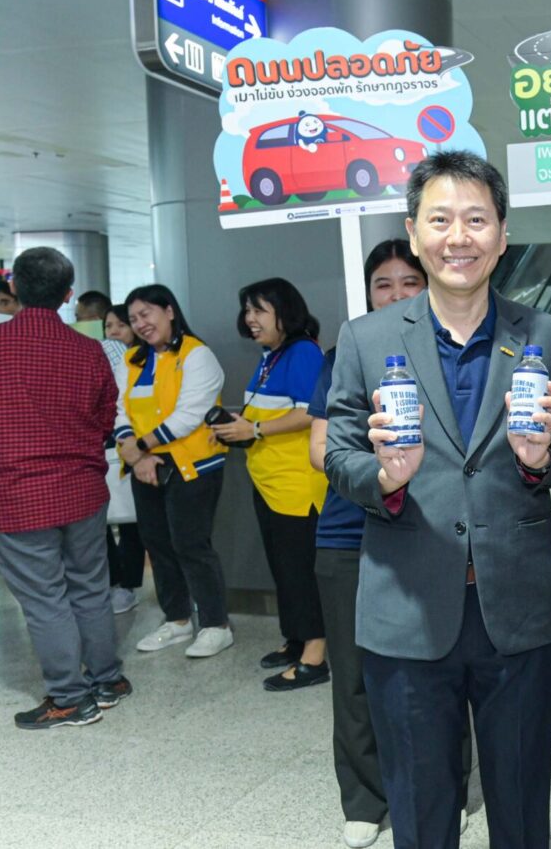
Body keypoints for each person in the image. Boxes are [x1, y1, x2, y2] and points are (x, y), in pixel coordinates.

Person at [325, 150, 551, 849]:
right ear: (414, 233)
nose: (458, 237)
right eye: (440, 219)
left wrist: (542, 459)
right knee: (421, 808)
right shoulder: (366, 338)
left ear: (502, 235)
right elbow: (340, 455)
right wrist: (385, 477)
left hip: (518, 608)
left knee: (521, 804)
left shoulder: (549, 336)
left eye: (476, 219)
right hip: (408, 607)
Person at [308, 239, 470, 849]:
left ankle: (448, 789)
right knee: (354, 677)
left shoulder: (451, 348)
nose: (397, 293)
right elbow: (320, 448)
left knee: (441, 666)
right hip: (350, 533)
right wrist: (378, 468)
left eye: (409, 281)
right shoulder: (347, 351)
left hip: (431, 533)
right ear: (367, 290)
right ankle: (365, 798)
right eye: (384, 283)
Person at [0, 247, 129, 729]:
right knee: (91, 586)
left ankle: (70, 698)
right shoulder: (88, 349)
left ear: (14, 287)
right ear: (68, 294)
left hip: (17, 493)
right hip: (83, 489)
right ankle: (108, 679)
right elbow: (106, 417)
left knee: (44, 598)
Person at [212, 278, 329, 690]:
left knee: (300, 571)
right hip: (269, 483)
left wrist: (256, 429)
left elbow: (310, 413)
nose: (250, 318)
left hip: (297, 486)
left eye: (259, 310)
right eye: (247, 310)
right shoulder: (272, 355)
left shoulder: (303, 352)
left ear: (285, 311)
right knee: (284, 568)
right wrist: (241, 427)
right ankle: (296, 638)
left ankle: (315, 656)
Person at [117, 284, 234, 658]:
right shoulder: (132, 360)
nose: (141, 324)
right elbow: (120, 410)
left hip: (193, 465)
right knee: (157, 544)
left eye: (146, 314)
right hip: (146, 464)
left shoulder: (197, 355)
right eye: (133, 319)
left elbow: (190, 413)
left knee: (191, 545)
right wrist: (137, 456)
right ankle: (178, 620)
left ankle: (216, 625)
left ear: (169, 311)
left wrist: (140, 446)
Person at [102, 304, 145, 615]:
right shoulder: (107, 354)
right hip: (107, 446)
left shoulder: (138, 360)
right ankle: (114, 582)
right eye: (109, 326)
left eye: (121, 325)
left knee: (132, 522)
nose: (114, 332)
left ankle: (127, 585)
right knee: (104, 521)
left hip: (138, 446)